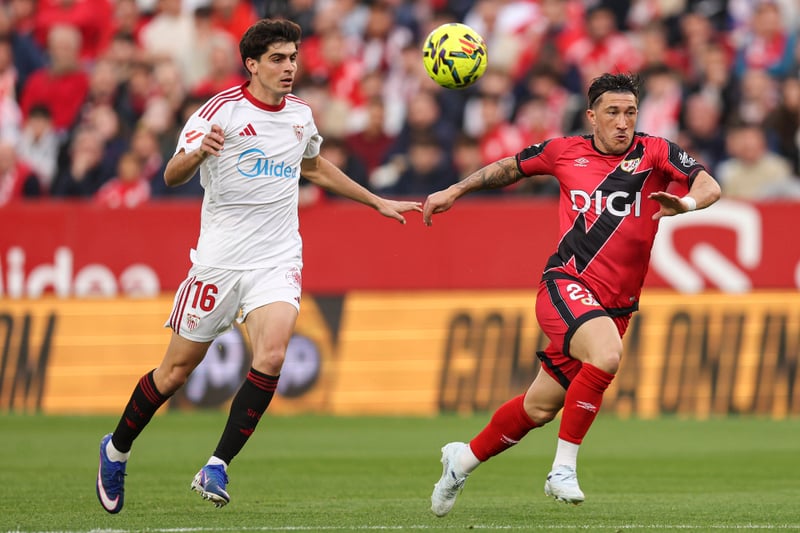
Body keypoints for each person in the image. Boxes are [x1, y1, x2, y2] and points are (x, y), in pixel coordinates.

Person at [95, 18, 421, 514]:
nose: (289, 67)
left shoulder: (301, 115)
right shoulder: (219, 112)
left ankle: (217, 465)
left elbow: (313, 166)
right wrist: (197, 153)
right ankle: (116, 449)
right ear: (251, 64)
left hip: (276, 257)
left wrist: (375, 200)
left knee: (271, 356)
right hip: (219, 263)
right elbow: (171, 174)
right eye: (277, 59)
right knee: (174, 372)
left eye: (293, 58)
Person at [422, 72, 721, 517]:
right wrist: (456, 189)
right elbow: (510, 167)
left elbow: (710, 184)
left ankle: (460, 461)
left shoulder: (656, 152)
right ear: (592, 117)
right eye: (613, 112)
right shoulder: (564, 151)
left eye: (631, 112)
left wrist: (688, 204)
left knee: (539, 408)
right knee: (607, 355)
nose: (623, 122)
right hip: (566, 285)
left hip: (616, 306)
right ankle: (562, 468)